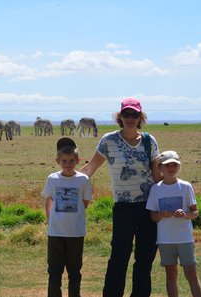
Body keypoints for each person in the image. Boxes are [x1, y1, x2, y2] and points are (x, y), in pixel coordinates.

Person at [80, 98, 162, 297]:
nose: (130, 119)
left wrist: (177, 192)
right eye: (126, 114)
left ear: (141, 118)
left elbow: (158, 175)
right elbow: (91, 168)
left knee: (145, 257)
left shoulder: (150, 141)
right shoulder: (109, 141)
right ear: (120, 117)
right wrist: (65, 181)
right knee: (119, 256)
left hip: (149, 208)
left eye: (134, 115)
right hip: (123, 208)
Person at [146, 150, 201, 297]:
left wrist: (185, 215)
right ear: (160, 168)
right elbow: (153, 216)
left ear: (179, 167)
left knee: (191, 274)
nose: (171, 168)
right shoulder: (156, 189)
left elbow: (195, 212)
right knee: (171, 275)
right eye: (167, 165)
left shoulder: (186, 186)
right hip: (165, 239)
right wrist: (163, 214)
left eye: (174, 165)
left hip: (184, 238)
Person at [42, 137, 93, 297]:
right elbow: (48, 199)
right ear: (58, 161)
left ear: (77, 160)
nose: (68, 164)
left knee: (74, 272)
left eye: (71, 160)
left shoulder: (83, 180)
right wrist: (51, 220)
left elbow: (85, 202)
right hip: (56, 233)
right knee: (54, 272)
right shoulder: (52, 179)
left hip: (76, 233)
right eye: (64, 160)